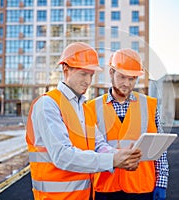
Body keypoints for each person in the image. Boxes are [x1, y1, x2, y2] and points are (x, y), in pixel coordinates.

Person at [25, 42, 142, 200]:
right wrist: (113, 160)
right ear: (66, 69)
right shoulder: (48, 105)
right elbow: (62, 155)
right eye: (83, 73)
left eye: (91, 75)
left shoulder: (84, 109)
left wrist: (122, 156)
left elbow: (99, 146)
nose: (88, 81)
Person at [87, 48, 169, 200]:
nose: (127, 83)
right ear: (111, 73)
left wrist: (161, 182)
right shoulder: (91, 108)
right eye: (122, 77)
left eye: (132, 79)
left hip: (142, 187)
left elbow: (160, 149)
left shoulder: (149, 105)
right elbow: (86, 150)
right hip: (105, 188)